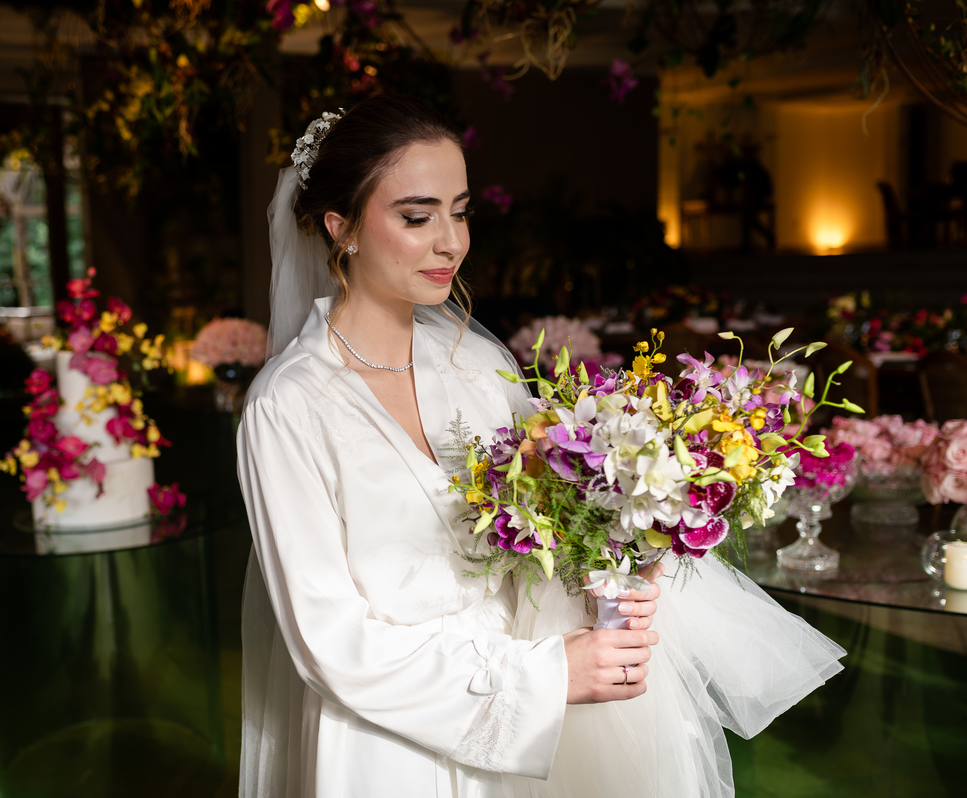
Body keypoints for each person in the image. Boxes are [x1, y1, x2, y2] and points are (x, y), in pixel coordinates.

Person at [236, 95, 845, 798]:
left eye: (461, 212)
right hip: (386, 744)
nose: (451, 243)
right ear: (341, 227)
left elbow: (544, 542)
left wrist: (616, 572)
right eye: (417, 217)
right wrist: (545, 676)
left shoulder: (476, 367)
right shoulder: (288, 406)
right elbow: (327, 642)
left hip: (533, 733)